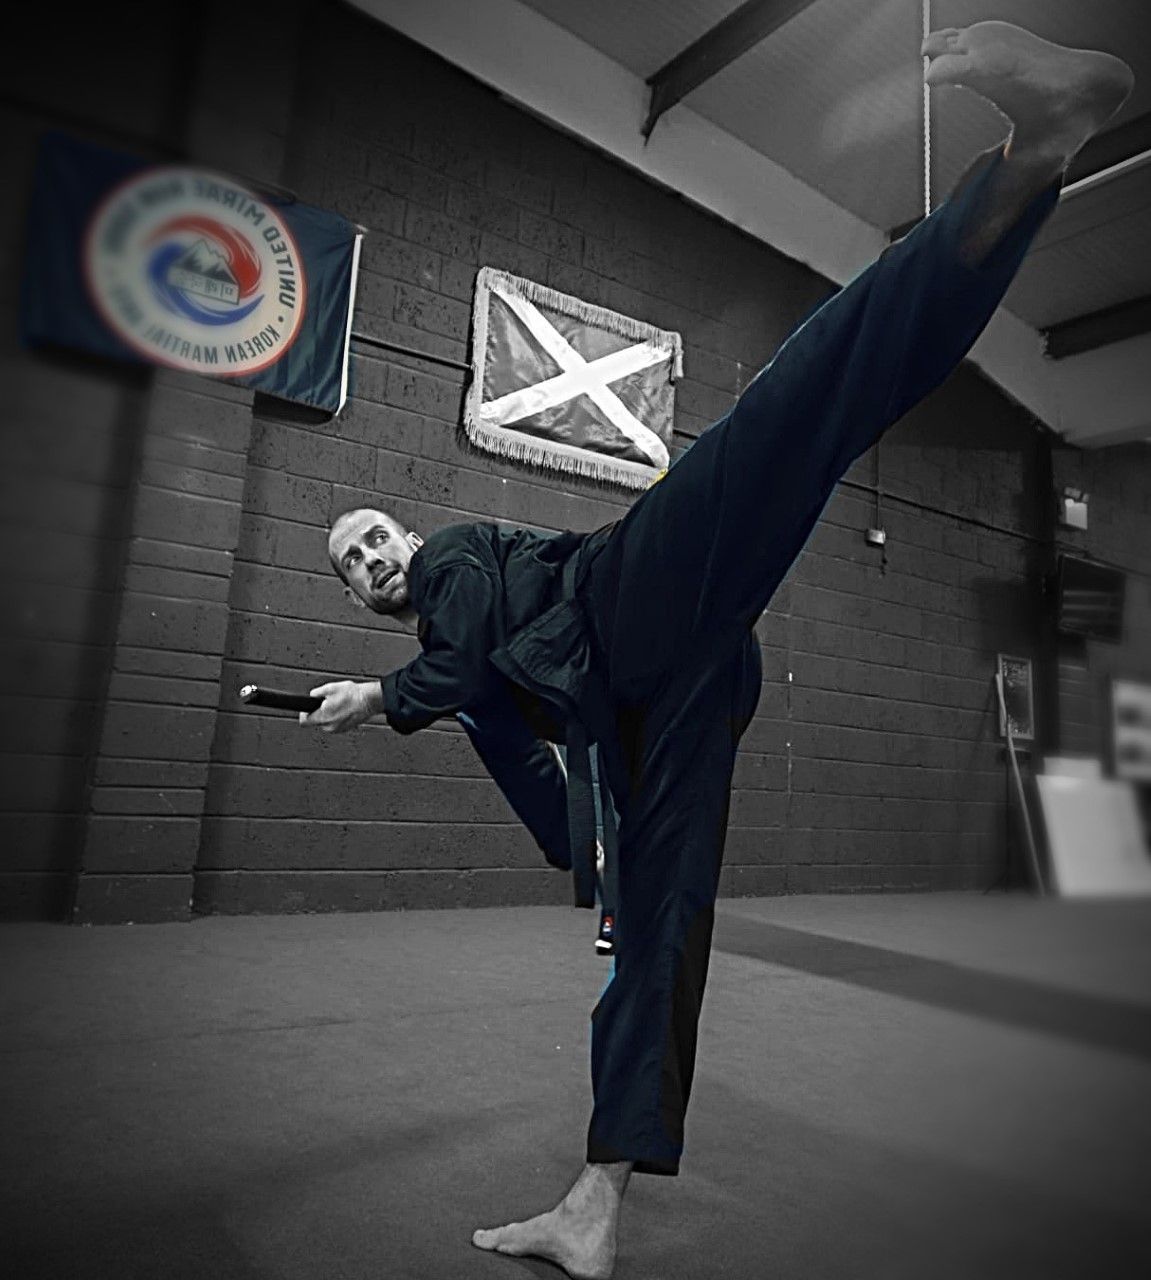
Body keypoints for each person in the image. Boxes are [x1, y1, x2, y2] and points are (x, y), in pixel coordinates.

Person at [300, 23, 1133, 1279]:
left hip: (626, 598)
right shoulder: (452, 661)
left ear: (406, 534)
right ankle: (596, 1201)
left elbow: (457, 668)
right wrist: (590, 859)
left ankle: (1032, 154)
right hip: (658, 700)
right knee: (660, 929)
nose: (371, 558)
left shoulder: (454, 565)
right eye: (350, 563)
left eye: (372, 536)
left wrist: (376, 697)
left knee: (799, 407)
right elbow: (524, 760)